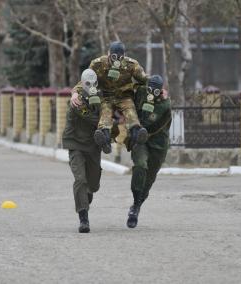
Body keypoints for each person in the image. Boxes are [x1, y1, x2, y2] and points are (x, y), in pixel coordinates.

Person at [71, 41, 148, 154]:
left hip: (124, 97)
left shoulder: (131, 64)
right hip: (106, 97)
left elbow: (144, 79)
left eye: (120, 57)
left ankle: (137, 134)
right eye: (113, 56)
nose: (116, 59)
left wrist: (158, 88)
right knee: (105, 116)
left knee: (130, 112)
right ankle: (105, 139)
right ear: (108, 54)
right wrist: (75, 92)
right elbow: (86, 80)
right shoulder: (98, 64)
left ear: (124, 55)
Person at [127, 75, 172, 228]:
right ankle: (135, 203)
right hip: (140, 141)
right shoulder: (140, 92)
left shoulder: (165, 106)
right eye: (150, 89)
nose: (152, 92)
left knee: (149, 178)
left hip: (158, 144)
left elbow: (158, 127)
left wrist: (145, 131)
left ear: (161, 91)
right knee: (140, 165)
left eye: (156, 90)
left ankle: (137, 205)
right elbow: (126, 96)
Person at [63, 69, 102, 233]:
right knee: (80, 180)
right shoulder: (76, 102)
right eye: (88, 84)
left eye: (94, 84)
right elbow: (94, 119)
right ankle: (83, 218)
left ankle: (86, 196)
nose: (91, 87)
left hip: (93, 146)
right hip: (76, 145)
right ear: (81, 84)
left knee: (93, 184)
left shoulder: (101, 98)